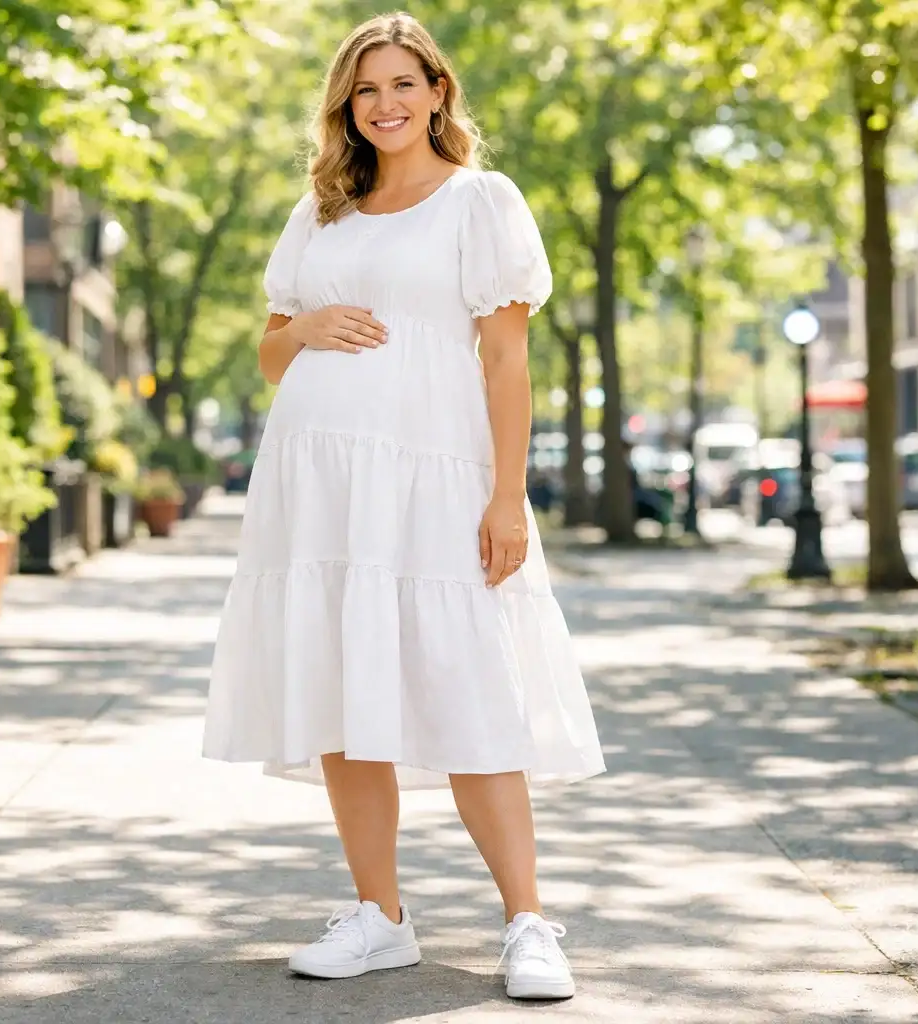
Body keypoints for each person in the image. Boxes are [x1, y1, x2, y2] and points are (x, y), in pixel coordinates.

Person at [202, 11, 604, 1002]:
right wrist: (303, 326)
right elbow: (266, 354)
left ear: (437, 94)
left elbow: (507, 361)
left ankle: (528, 921)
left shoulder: (481, 203)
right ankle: (380, 915)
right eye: (365, 88)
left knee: (471, 691)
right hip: (316, 483)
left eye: (402, 85)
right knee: (344, 694)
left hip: (434, 470)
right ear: (348, 104)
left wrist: (507, 497)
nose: (384, 104)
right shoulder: (322, 212)